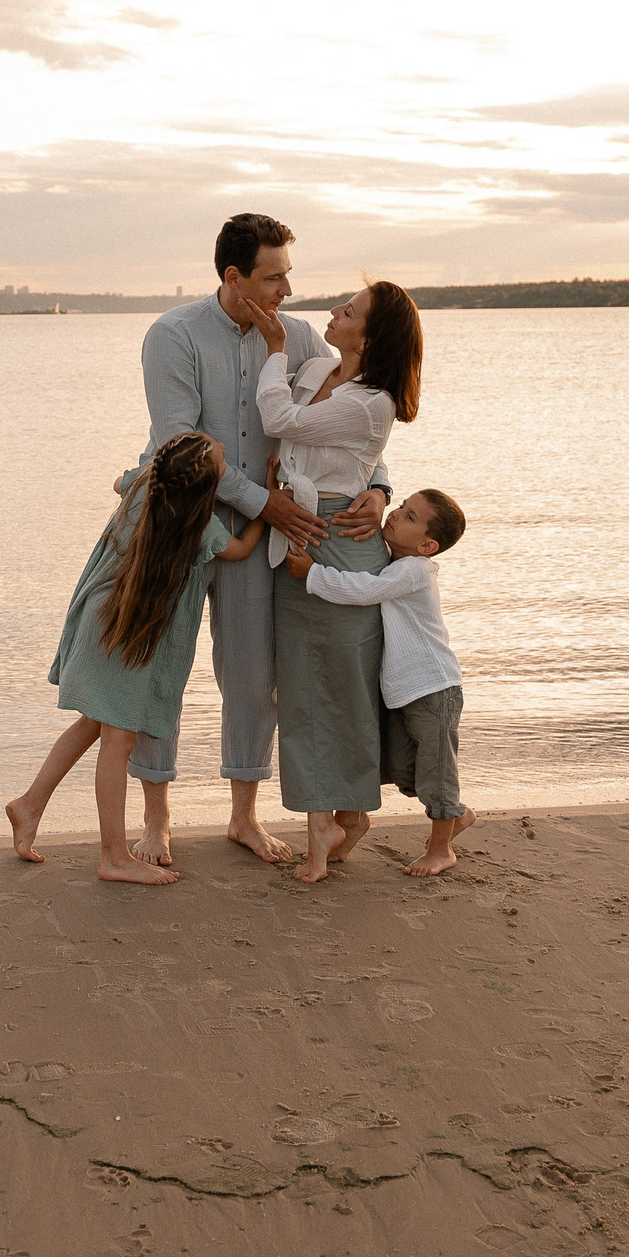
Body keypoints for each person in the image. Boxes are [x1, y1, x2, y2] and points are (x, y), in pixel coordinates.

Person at [124, 215, 390, 867]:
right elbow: (177, 443)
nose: (287, 290)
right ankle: (156, 820)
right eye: (273, 277)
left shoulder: (299, 339)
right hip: (178, 530)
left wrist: (379, 487)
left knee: (253, 676)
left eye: (288, 275)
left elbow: (351, 419)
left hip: (258, 538)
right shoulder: (173, 335)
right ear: (234, 276)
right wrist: (263, 502)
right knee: (162, 672)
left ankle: (243, 816)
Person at [7, 431, 268, 885]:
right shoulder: (200, 526)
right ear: (204, 490)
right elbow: (242, 549)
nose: (221, 444)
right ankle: (113, 856)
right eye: (218, 454)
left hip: (101, 619)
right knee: (118, 741)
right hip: (129, 633)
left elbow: (116, 482)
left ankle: (29, 805)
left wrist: (145, 473)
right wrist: (266, 505)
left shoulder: (142, 484)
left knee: (94, 722)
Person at [234, 281, 425, 884]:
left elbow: (280, 418)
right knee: (302, 688)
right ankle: (334, 816)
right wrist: (376, 482)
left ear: (371, 336)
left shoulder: (373, 400)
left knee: (341, 688)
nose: (335, 311)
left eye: (351, 310)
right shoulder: (318, 363)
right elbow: (296, 439)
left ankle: (340, 817)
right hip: (299, 533)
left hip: (340, 545)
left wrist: (270, 349)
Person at [283, 487, 470, 876]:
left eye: (411, 517)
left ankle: (441, 848)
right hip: (404, 692)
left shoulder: (413, 571)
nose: (397, 514)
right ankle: (457, 812)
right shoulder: (393, 563)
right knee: (401, 770)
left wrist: (313, 574)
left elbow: (364, 591)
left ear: (428, 546)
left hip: (433, 688)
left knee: (436, 771)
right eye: (403, 507)